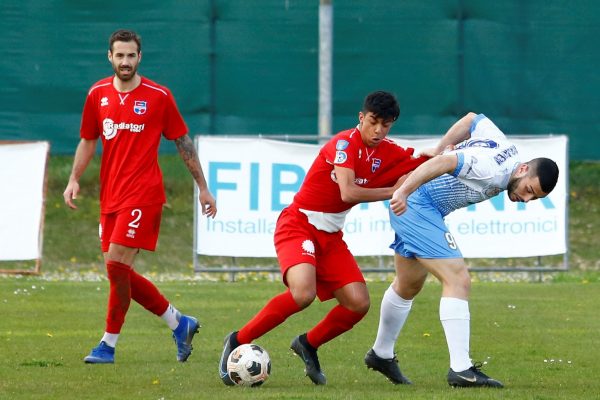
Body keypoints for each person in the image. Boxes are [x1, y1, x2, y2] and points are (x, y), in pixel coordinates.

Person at [218, 91, 467, 385]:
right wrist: (396, 191)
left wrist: (446, 153)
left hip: (331, 236)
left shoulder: (387, 151)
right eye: (373, 122)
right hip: (298, 224)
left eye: (385, 125)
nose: (378, 130)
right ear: (361, 118)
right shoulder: (343, 144)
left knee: (358, 303)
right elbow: (347, 192)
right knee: (302, 293)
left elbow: (423, 160)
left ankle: (307, 344)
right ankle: (237, 340)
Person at [364, 112, 559, 388]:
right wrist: (404, 191)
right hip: (416, 206)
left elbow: (471, 119)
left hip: (422, 208)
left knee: (407, 285)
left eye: (533, 198)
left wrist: (441, 144)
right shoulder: (491, 168)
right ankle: (461, 369)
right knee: (458, 279)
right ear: (523, 169)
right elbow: (445, 162)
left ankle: (381, 354)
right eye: (528, 190)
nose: (525, 198)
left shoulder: (505, 147)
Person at [63, 29, 217, 364]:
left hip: (143, 195)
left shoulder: (159, 96)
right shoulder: (97, 95)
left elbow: (183, 142)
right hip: (111, 198)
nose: (125, 62)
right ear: (110, 57)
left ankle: (107, 345)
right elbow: (88, 139)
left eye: (131, 55)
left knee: (117, 267)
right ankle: (179, 323)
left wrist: (202, 187)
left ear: (139, 57)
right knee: (118, 273)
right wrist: (74, 178)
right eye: (119, 55)